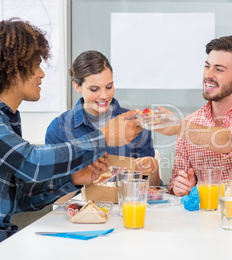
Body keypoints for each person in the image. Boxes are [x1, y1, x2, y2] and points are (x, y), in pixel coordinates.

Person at [0, 18, 141, 242]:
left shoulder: (8, 121)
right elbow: (33, 162)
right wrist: (104, 137)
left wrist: (73, 179)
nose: (42, 74)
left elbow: (17, 198)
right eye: (36, 64)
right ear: (13, 68)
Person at [156, 36, 232, 199]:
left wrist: (181, 128)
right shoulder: (191, 123)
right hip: (206, 219)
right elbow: (175, 186)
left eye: (219, 69)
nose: (208, 75)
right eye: (207, 66)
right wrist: (181, 187)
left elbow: (230, 141)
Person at [45, 50, 161, 186]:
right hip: (80, 206)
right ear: (77, 86)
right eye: (94, 89)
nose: (104, 95)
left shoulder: (135, 124)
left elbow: (152, 189)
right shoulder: (59, 129)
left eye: (109, 87)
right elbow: (53, 190)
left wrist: (153, 169)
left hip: (125, 205)